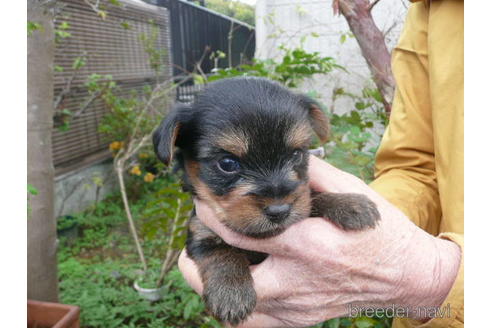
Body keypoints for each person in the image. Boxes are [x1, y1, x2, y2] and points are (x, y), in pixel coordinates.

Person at [178, 0, 464, 327]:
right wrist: (226, 270)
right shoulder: (433, 9)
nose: (276, 201)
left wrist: (427, 275)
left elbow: (311, 209)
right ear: (176, 145)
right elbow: (416, 164)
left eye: (295, 156)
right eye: (228, 164)